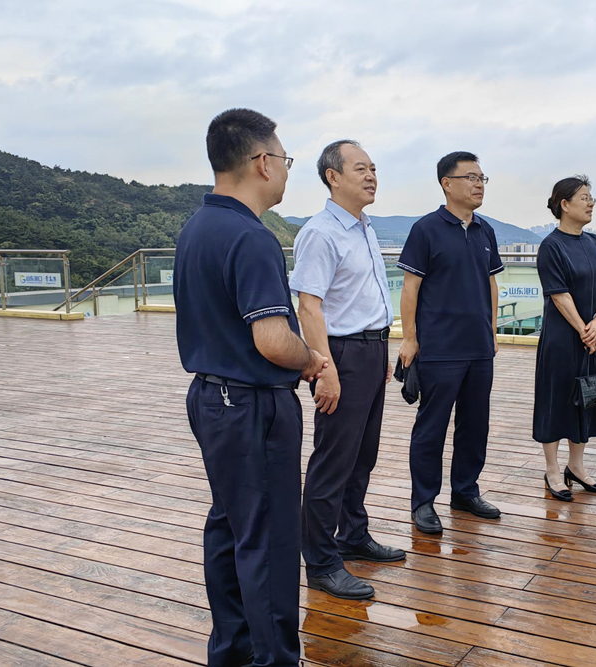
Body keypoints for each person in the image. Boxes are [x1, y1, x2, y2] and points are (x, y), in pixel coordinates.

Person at [174, 108, 327, 667]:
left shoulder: (196, 228)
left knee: (230, 526)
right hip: (251, 406)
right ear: (263, 162)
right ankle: (276, 659)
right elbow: (272, 339)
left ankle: (232, 650)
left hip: (210, 398)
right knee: (271, 539)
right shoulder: (251, 237)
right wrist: (312, 361)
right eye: (285, 159)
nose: (286, 170)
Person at [289, 140, 404, 601]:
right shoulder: (321, 233)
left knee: (362, 456)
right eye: (360, 168)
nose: (371, 176)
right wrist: (326, 369)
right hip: (340, 356)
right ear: (333, 177)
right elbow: (309, 307)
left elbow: (362, 298)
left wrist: (382, 348)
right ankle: (320, 562)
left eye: (373, 168)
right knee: (333, 461)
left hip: (370, 352)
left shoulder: (364, 228)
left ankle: (353, 535)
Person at [397, 151, 504, 533]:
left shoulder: (485, 230)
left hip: (479, 347)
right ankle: (423, 502)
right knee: (432, 427)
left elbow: (491, 283)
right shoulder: (426, 229)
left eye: (482, 178)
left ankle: (465, 491)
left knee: (475, 426)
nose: (479, 185)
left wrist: (492, 331)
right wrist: (410, 338)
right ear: (447, 183)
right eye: (471, 177)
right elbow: (410, 288)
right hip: (439, 348)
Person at [533, 175, 596, 501]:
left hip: (593, 334)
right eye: (584, 197)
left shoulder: (595, 242)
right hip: (562, 339)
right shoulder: (551, 246)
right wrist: (586, 329)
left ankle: (577, 466)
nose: (591, 202)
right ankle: (552, 470)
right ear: (565, 204)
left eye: (591, 197)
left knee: (588, 398)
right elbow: (559, 295)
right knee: (556, 401)